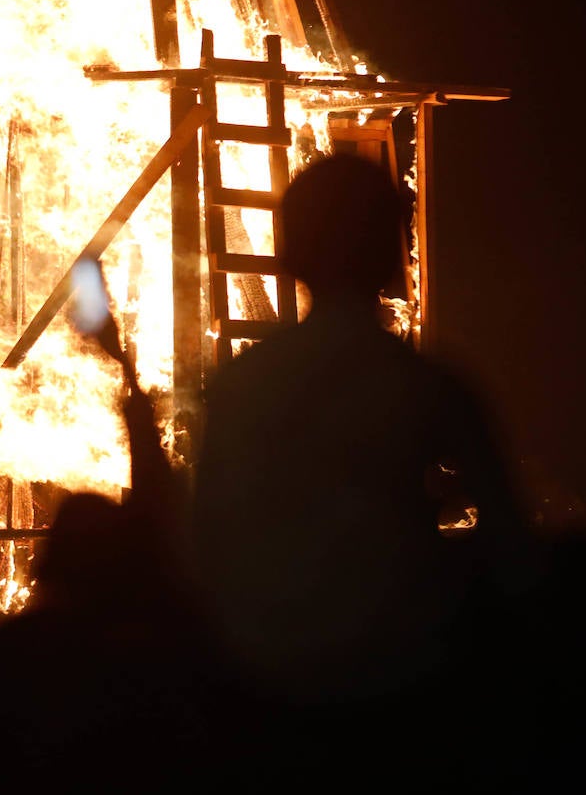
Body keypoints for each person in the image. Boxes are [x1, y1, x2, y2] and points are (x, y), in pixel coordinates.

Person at [189, 153, 539, 782]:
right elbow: (513, 542)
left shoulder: (243, 386)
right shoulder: (429, 385)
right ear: (391, 252)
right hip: (403, 695)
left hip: (271, 694)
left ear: (289, 255)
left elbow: (207, 539)